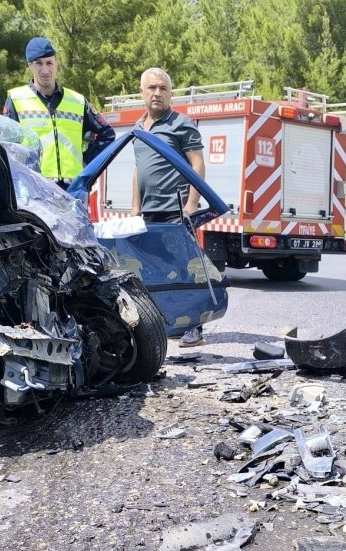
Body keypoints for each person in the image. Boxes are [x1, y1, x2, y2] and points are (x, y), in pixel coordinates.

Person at [131, 67, 207, 346]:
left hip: (176, 210)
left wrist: (191, 204)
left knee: (186, 269)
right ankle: (169, 321)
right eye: (152, 88)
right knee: (154, 270)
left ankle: (195, 327)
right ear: (142, 92)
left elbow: (197, 164)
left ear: (170, 93)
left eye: (163, 88)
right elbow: (138, 170)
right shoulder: (138, 129)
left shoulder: (181, 124)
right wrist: (134, 209)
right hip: (149, 213)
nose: (157, 93)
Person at [3, 37, 114, 188]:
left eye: (49, 63)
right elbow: (6, 145)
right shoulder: (16, 99)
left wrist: (87, 162)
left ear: (56, 64)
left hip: (73, 188)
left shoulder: (78, 101)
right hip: (35, 187)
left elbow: (107, 134)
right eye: (39, 63)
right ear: (30, 66)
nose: (45, 70)